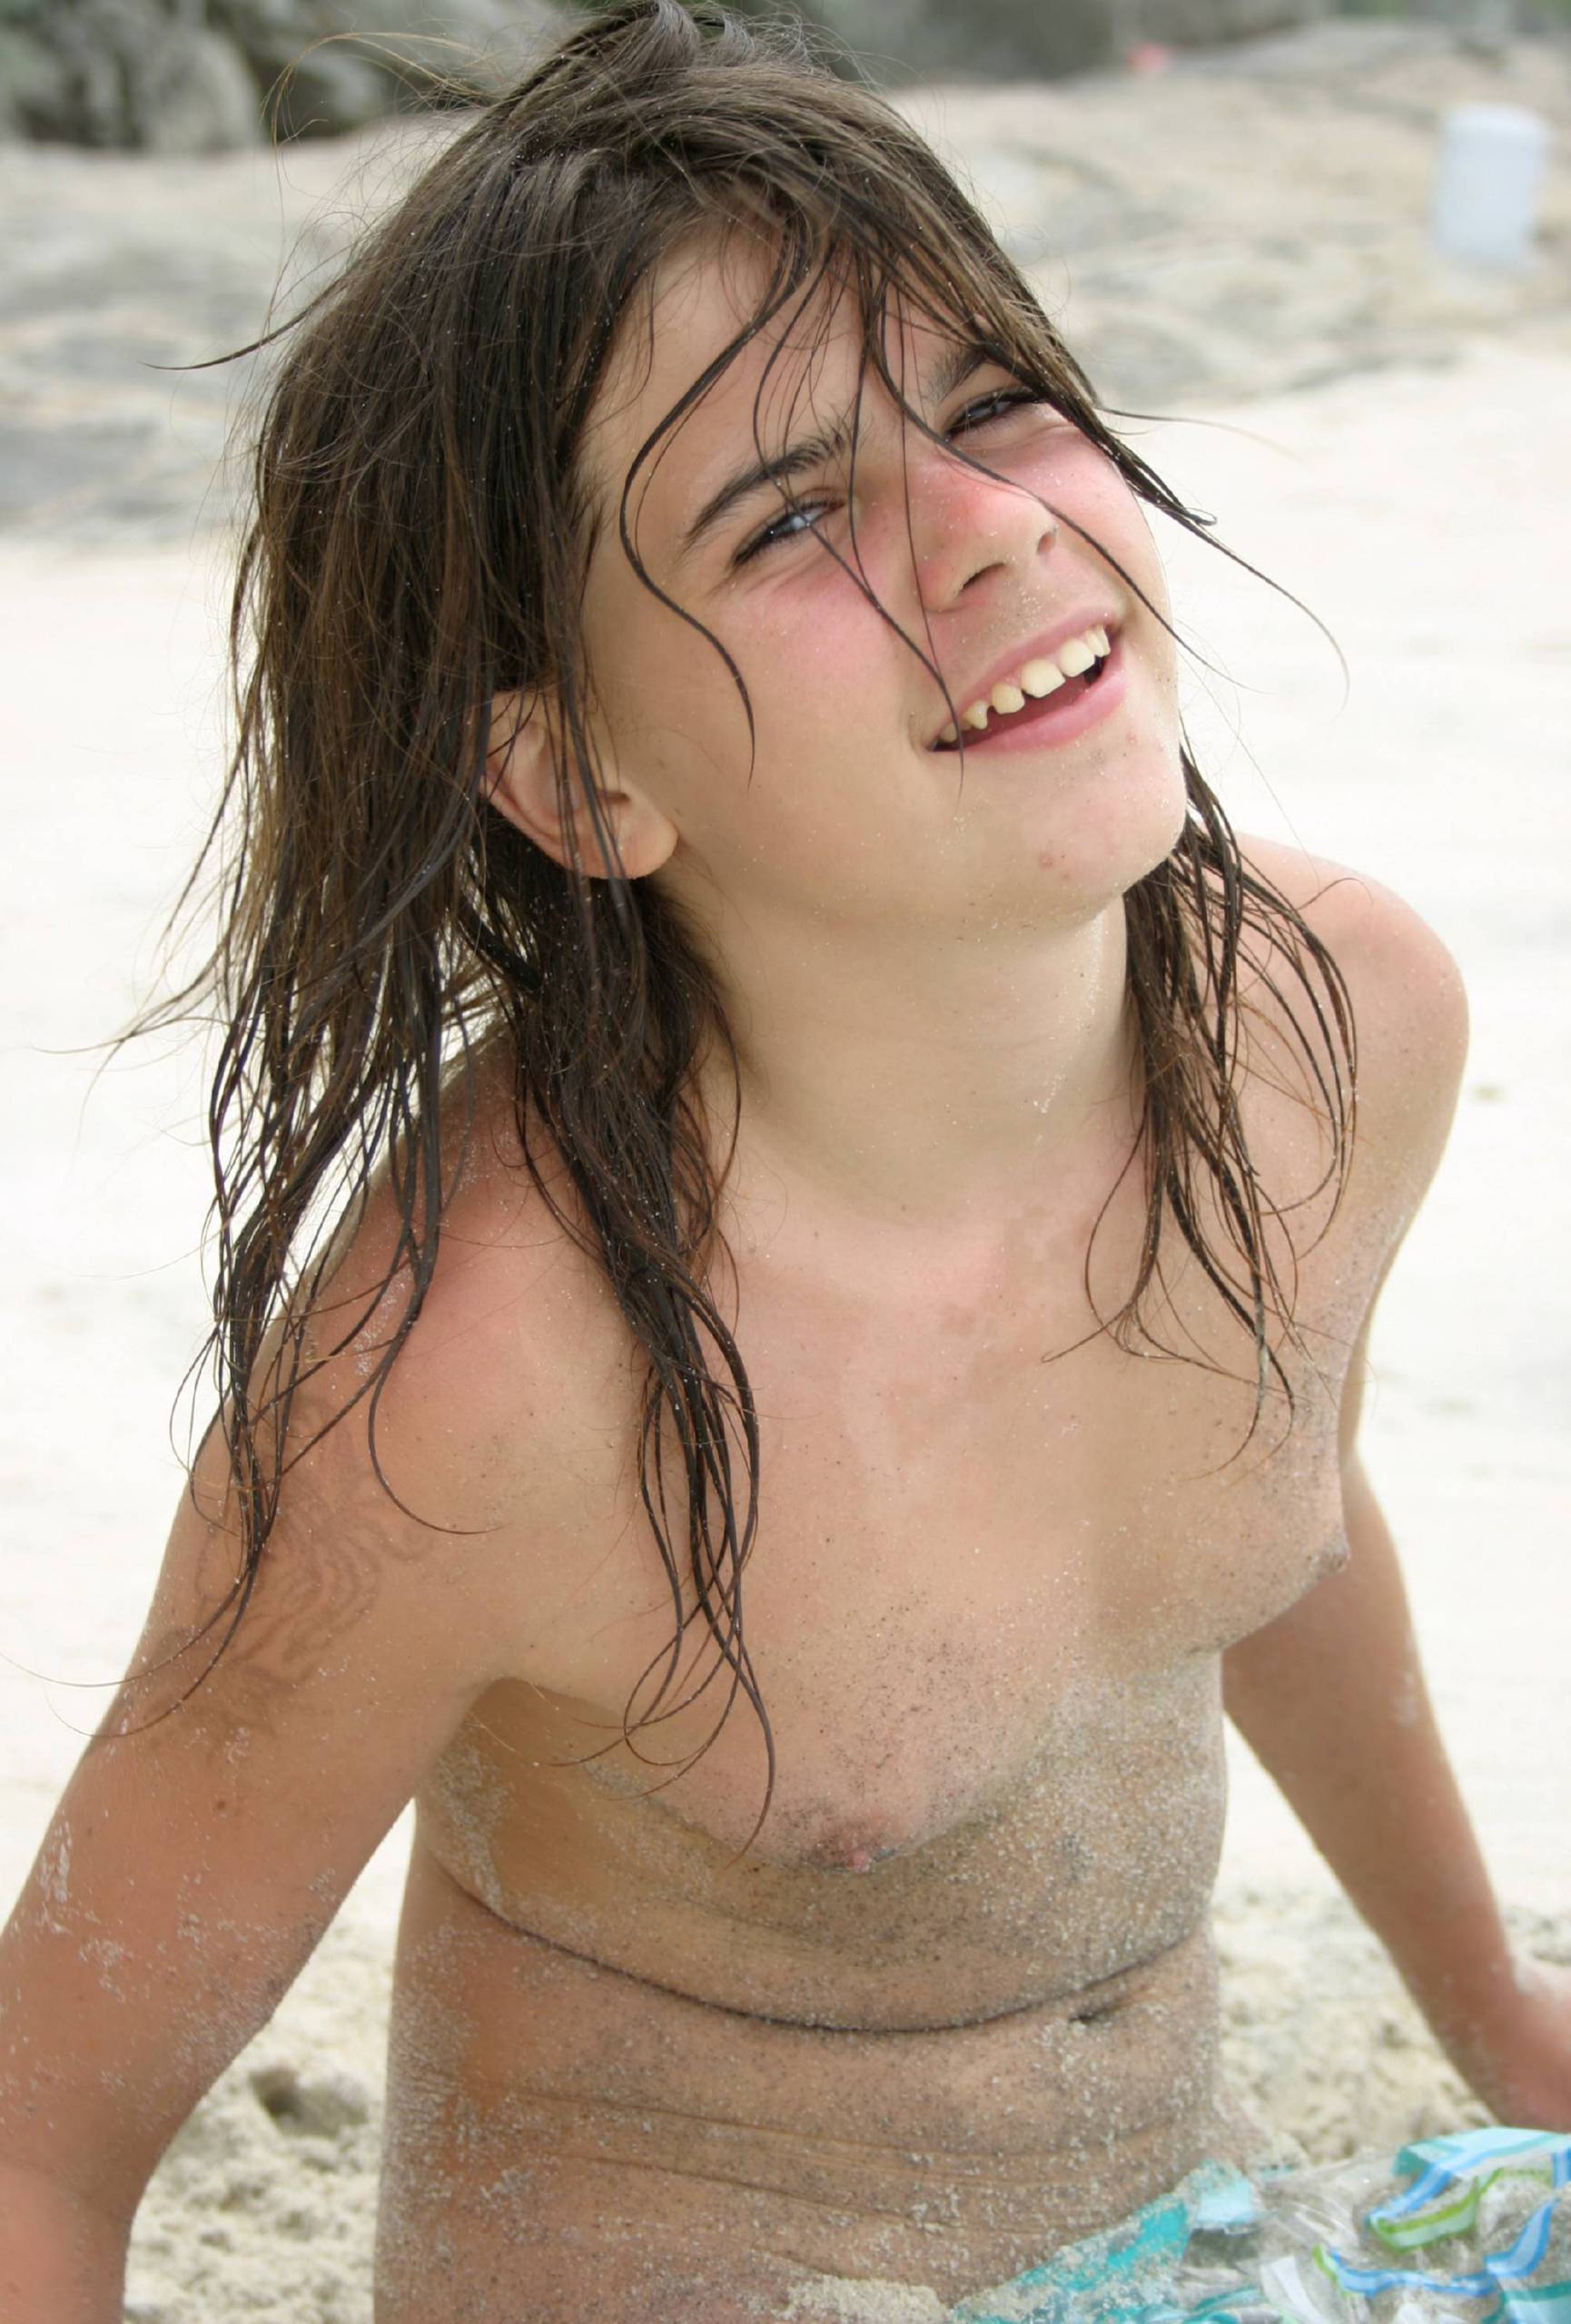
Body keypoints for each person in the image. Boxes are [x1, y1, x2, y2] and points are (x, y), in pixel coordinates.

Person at [1, 4, 1567, 2318]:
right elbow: (39, 2143)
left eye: (992, 400)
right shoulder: (475, 1392)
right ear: (579, 781)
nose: (982, 531)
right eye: (788, 515)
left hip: (1200, 2257)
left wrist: (1511, 2034)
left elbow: (1271, 1510)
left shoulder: (1323, 1035)